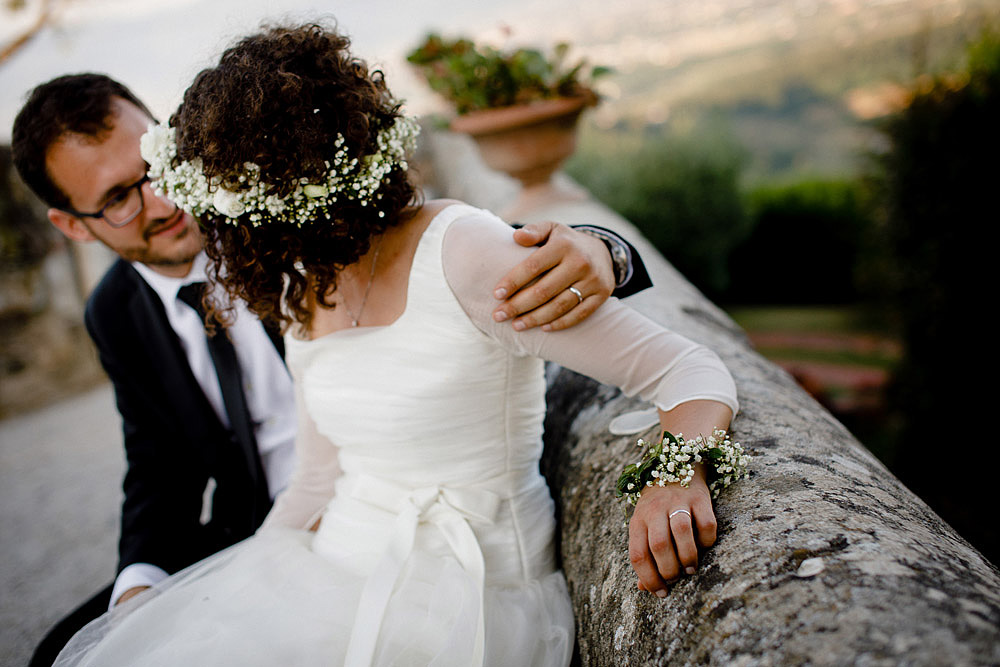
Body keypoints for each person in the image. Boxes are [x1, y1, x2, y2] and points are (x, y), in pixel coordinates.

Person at [52, 24, 738, 666]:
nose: (200, 218)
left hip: (472, 587)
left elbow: (687, 367)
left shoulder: (465, 252)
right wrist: (232, 593)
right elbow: (317, 480)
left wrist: (674, 473)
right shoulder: (296, 286)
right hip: (337, 558)